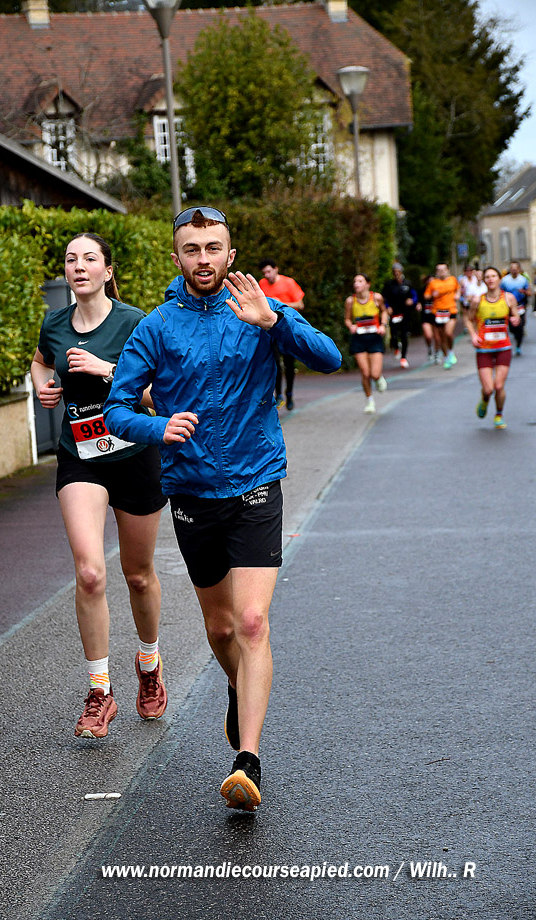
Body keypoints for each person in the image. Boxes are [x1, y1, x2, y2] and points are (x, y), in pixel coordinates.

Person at [104, 206, 342, 811]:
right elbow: (117, 409)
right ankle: (240, 689)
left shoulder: (259, 310)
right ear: (177, 257)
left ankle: (248, 760)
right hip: (191, 491)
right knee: (220, 628)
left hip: (257, 481)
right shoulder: (157, 326)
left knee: (252, 621)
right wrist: (158, 428)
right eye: (193, 249)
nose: (204, 258)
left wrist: (275, 321)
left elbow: (329, 358)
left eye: (214, 248)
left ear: (230, 255)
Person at [30, 233, 168, 741]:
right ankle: (99, 691)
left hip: (134, 455)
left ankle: (149, 664)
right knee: (89, 573)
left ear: (108, 271)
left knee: (138, 575)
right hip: (80, 457)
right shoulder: (55, 324)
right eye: (71, 259)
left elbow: (158, 395)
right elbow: (41, 360)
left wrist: (106, 370)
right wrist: (43, 387)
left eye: (90, 259)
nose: (79, 266)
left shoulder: (134, 323)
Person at [464, 266, 519, 430]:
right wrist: (473, 335)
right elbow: (468, 319)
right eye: (487, 276)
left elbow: (515, 315)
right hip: (484, 349)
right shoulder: (477, 300)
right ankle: (485, 399)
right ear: (484, 280)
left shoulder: (509, 298)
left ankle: (498, 415)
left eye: (494, 276)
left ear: (499, 279)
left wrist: (516, 320)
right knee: (488, 389)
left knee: (499, 386)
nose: (490, 279)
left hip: (503, 347)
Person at [258, 259, 305, 410]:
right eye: (264, 273)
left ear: (276, 269)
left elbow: (300, 304)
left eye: (269, 271)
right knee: (274, 362)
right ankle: (278, 395)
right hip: (271, 329)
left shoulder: (288, 283)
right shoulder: (262, 284)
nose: (267, 275)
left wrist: (280, 303)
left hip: (288, 328)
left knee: (289, 364)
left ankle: (289, 394)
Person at [344, 273, 388, 413]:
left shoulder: (376, 298)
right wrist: (351, 326)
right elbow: (347, 319)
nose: (356, 284)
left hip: (375, 337)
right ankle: (369, 401)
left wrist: (383, 325)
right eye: (355, 281)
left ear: (368, 284)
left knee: (374, 374)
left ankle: (379, 378)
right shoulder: (350, 301)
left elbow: (384, 312)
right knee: (365, 372)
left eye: (360, 281)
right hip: (359, 339)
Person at [423, 263, 460, 369]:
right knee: (441, 338)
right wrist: (432, 295)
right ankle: (447, 357)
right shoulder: (433, 283)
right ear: (436, 272)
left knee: (448, 333)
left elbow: (458, 289)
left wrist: (457, 295)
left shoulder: (453, 280)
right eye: (439, 270)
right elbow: (426, 296)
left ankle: (451, 351)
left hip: (451, 310)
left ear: (447, 270)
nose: (442, 271)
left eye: (443, 269)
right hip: (438, 312)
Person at [382, 261, 417, 368]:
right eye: (394, 272)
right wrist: (387, 307)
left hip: (405, 312)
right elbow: (384, 298)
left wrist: (412, 301)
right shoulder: (389, 285)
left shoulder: (408, 283)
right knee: (394, 335)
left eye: (398, 271)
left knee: (404, 334)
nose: (396, 273)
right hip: (394, 313)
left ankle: (403, 357)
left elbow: (414, 296)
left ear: (401, 272)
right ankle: (396, 347)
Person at [500, 261, 531, 355]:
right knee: (512, 327)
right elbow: (500, 292)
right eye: (512, 268)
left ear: (519, 269)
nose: (513, 270)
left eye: (515, 268)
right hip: (509, 306)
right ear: (510, 269)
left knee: (520, 325)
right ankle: (515, 333)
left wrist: (524, 292)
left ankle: (518, 346)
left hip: (520, 306)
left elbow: (529, 292)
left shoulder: (523, 280)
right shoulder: (505, 280)